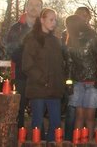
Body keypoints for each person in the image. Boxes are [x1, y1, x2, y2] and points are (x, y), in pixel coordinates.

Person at [22, 8, 65, 142]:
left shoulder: (56, 41)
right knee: (37, 123)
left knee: (56, 123)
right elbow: (27, 65)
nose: (54, 23)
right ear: (42, 20)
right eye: (51, 19)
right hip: (38, 88)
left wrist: (62, 83)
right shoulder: (32, 40)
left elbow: (60, 65)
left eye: (55, 20)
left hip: (54, 89)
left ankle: (51, 143)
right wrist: (43, 79)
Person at [5, 0, 43, 128]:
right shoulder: (16, 28)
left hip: (40, 74)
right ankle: (18, 136)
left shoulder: (45, 27)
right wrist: (26, 62)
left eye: (37, 5)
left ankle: (38, 137)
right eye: (31, 4)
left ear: (41, 9)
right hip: (21, 73)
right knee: (19, 107)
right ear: (26, 7)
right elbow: (10, 48)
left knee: (39, 107)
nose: (34, 7)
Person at [65, 14, 97, 140]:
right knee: (79, 116)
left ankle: (89, 142)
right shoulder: (71, 40)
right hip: (77, 82)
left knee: (90, 117)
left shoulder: (92, 37)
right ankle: (77, 141)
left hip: (93, 82)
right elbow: (69, 64)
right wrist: (69, 83)